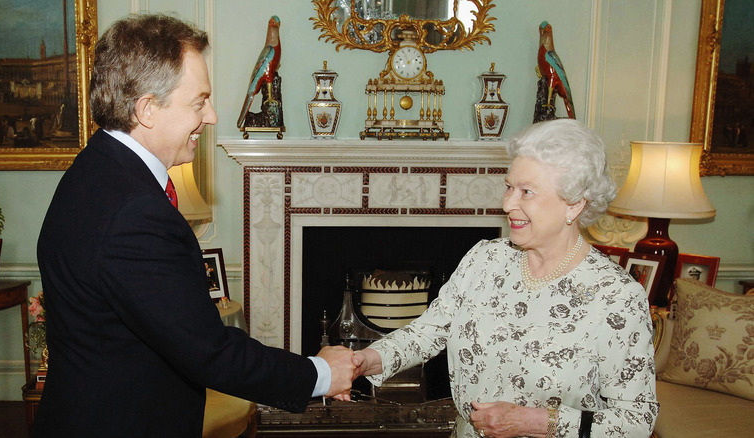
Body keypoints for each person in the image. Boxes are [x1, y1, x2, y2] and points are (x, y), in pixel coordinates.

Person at [35, 14, 358, 438]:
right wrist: (320, 373)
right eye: (199, 101)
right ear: (148, 109)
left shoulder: (94, 170)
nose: (212, 116)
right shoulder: (133, 212)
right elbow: (208, 351)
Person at [352, 119, 659, 437]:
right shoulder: (485, 259)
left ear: (575, 204)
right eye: (509, 187)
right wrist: (360, 361)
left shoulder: (616, 296)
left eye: (527, 192)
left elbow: (636, 420)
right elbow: (425, 335)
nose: (508, 204)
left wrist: (533, 421)